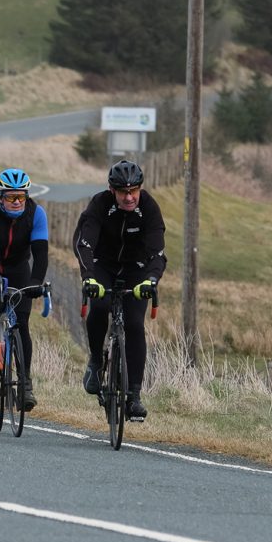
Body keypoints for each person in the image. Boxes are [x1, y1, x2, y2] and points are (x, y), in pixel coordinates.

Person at [74, 159, 165, 420]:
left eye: (134, 191)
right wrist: (89, 278)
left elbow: (157, 252)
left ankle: (134, 396)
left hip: (136, 268)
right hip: (103, 265)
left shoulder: (149, 208)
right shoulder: (99, 205)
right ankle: (96, 360)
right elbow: (84, 244)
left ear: (140, 189)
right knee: (100, 305)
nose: (129, 197)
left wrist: (151, 280)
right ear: (112, 190)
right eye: (123, 192)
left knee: (135, 323)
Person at [0, 167, 49, 410]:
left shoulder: (36, 213)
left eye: (21, 196)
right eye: (10, 197)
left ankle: (25, 384)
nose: (17, 202)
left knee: (22, 324)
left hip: (18, 269)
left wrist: (36, 281)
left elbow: (41, 253)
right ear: (0, 197)